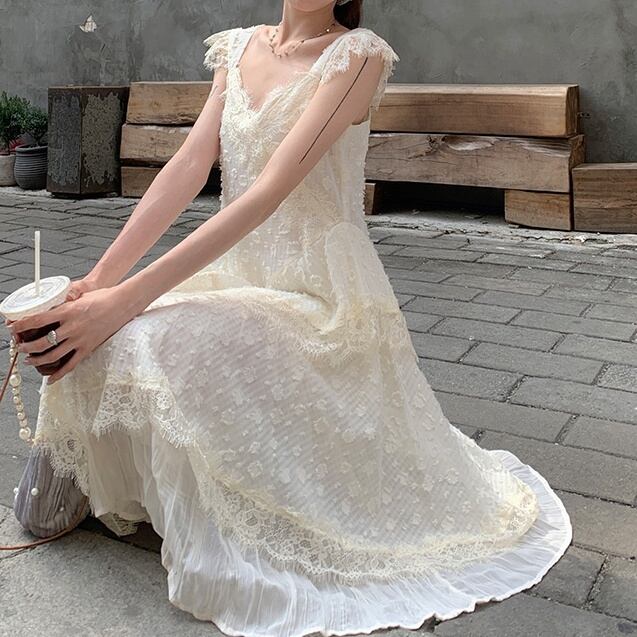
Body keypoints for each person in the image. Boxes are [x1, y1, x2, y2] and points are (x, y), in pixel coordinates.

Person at [6, 1, 573, 635]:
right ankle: (68, 492)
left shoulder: (356, 56)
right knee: (105, 331)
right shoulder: (236, 49)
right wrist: (96, 284)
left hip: (317, 297)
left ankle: (197, 513)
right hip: (232, 276)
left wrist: (123, 301)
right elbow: (188, 167)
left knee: (146, 335)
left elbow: (268, 191)